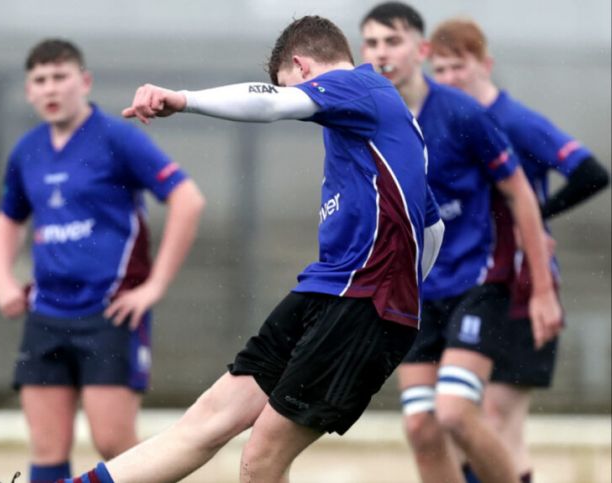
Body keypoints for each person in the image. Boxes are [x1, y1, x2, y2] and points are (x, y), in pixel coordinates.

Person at [59, 15, 445, 483]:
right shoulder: (374, 127)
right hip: (328, 290)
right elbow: (433, 227)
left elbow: (271, 104)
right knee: (205, 423)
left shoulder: (358, 88)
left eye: (290, 85)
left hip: (363, 302)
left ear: (301, 67)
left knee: (262, 457)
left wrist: (182, 100)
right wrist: (409, 296)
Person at [359, 3, 565, 483]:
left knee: (454, 412)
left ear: (420, 49)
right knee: (421, 427)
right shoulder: (369, 121)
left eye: (393, 41)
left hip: (478, 284)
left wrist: (539, 289)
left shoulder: (464, 113)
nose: (382, 52)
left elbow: (521, 195)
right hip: (415, 294)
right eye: (371, 43)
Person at [0, 38, 206, 483]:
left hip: (110, 313)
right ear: (29, 91)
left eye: (60, 77)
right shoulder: (27, 151)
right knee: (47, 447)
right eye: (40, 80)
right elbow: (8, 220)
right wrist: (2, 279)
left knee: (115, 447)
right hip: (45, 312)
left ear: (84, 81)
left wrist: (155, 286)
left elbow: (187, 199)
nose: (51, 89)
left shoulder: (117, 137)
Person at [428, 18, 610, 483]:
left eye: (459, 67)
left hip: (523, 287)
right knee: (461, 422)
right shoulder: (447, 123)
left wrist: (540, 214)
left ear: (484, 64)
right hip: (476, 285)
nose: (450, 79)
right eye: (440, 69)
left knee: (493, 423)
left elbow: (591, 173)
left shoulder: (513, 120)